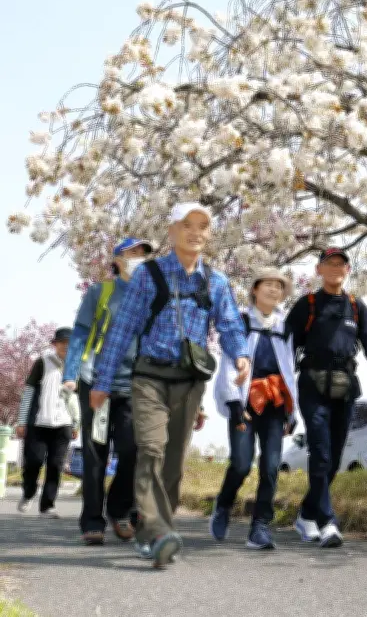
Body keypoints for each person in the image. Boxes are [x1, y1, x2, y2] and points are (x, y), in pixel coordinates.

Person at [91, 202, 250, 568]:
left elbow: (229, 324)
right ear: (172, 230)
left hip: (190, 384)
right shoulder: (148, 275)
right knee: (150, 449)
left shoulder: (216, 281)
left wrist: (241, 355)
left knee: (174, 464)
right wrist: (103, 381)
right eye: (187, 224)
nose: (195, 232)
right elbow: (123, 328)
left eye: (203, 226)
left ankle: (153, 533)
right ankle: (160, 532)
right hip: (149, 378)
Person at [284, 247, 367, 548]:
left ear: (348, 270)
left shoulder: (356, 307)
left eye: (341, 264)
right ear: (319, 270)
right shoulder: (307, 305)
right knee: (320, 453)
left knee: (333, 458)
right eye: (329, 263)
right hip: (312, 384)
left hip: (345, 385)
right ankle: (328, 522)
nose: (335, 268)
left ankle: (307, 514)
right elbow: (287, 347)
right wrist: (283, 386)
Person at [63, 237, 153, 546]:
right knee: (95, 454)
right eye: (131, 252)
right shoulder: (100, 292)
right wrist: (71, 374)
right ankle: (92, 521)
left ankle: (119, 508)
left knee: (133, 449)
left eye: (142, 253)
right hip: (96, 381)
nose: (138, 257)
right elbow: (80, 332)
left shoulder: (150, 297)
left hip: (134, 384)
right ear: (116, 260)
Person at [210, 268, 298, 550]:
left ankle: (260, 527)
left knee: (271, 467)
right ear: (255, 290)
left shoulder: (285, 326)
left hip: (274, 404)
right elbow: (229, 362)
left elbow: (289, 369)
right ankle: (223, 505)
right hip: (245, 402)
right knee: (241, 463)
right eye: (267, 284)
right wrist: (234, 403)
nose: (273, 290)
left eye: (279, 286)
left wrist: (292, 411)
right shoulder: (241, 322)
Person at [16, 327, 80, 518]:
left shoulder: (77, 366)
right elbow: (28, 392)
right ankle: (28, 493)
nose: (65, 346)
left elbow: (77, 400)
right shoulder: (42, 362)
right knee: (33, 461)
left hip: (64, 425)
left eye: (69, 343)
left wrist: (76, 424)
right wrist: (21, 421)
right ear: (55, 344)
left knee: (56, 465)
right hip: (39, 422)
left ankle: (47, 506)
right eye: (62, 343)